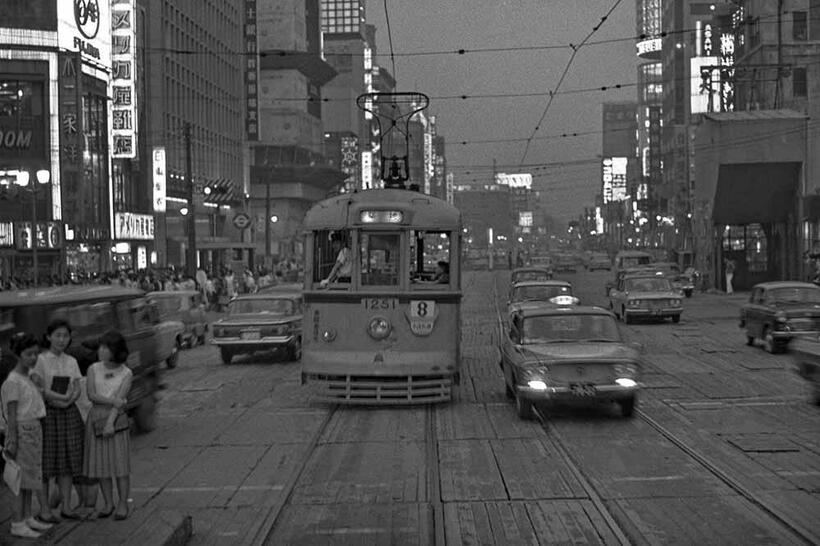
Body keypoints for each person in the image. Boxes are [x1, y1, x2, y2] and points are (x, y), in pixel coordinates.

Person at [32, 319, 85, 522]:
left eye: (65, 336)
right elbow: (39, 388)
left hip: (69, 414)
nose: (62, 340)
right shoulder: (41, 360)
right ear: (49, 337)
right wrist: (59, 399)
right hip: (48, 415)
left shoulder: (71, 361)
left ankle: (67, 506)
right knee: (45, 464)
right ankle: (44, 509)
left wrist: (70, 399)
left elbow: (77, 386)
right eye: (58, 335)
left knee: (67, 462)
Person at [1, 333, 52, 538]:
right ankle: (17, 521)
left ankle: (27, 516)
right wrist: (12, 440)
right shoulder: (13, 381)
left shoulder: (28, 378)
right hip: (23, 431)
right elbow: (11, 414)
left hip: (34, 429)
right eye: (28, 354)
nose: (33, 358)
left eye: (35, 354)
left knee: (30, 477)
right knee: (20, 481)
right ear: (18, 355)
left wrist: (38, 385)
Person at [83, 330, 133, 521]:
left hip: (116, 419)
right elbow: (91, 395)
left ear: (115, 350)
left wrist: (111, 422)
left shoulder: (126, 372)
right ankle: (108, 503)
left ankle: (122, 503)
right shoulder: (93, 368)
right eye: (101, 346)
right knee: (101, 465)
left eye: (105, 347)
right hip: (96, 416)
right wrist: (113, 402)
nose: (101, 350)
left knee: (120, 465)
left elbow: (121, 398)